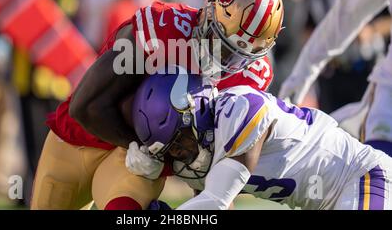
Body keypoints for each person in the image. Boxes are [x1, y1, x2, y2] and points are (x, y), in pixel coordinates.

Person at [30, 0, 284, 209]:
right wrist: (135, 146)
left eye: (236, 55)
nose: (223, 59)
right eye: (220, 43)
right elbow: (86, 106)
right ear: (209, 13)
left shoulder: (250, 78)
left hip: (140, 165)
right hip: (83, 138)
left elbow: (221, 174)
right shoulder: (163, 28)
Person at [131, 68, 392, 210]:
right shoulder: (202, 151)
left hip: (362, 177)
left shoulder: (241, 108)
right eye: (171, 150)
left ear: (194, 109)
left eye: (180, 141)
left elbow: (216, 202)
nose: (180, 154)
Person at [279, 0, 392, 156]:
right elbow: (330, 29)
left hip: (365, 67)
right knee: (373, 134)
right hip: (337, 74)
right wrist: (295, 86)